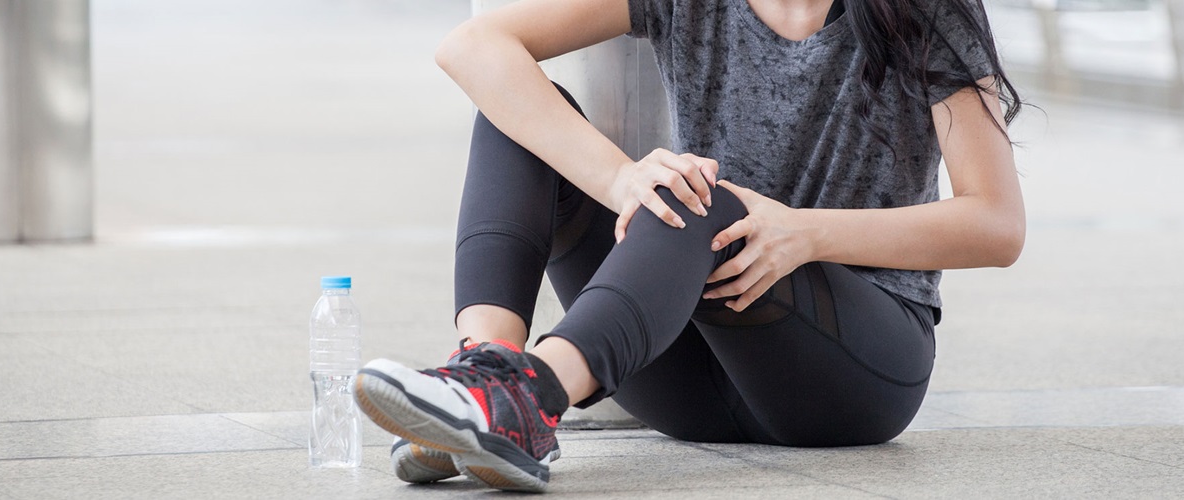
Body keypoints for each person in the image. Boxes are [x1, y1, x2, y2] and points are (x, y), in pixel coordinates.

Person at [354, 0, 1025, 492]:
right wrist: (620, 180)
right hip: (690, 373)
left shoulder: (925, 10)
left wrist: (802, 231)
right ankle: (487, 369)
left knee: (707, 197)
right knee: (524, 120)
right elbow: (473, 47)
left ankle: (529, 397)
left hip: (850, 372)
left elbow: (995, 225)